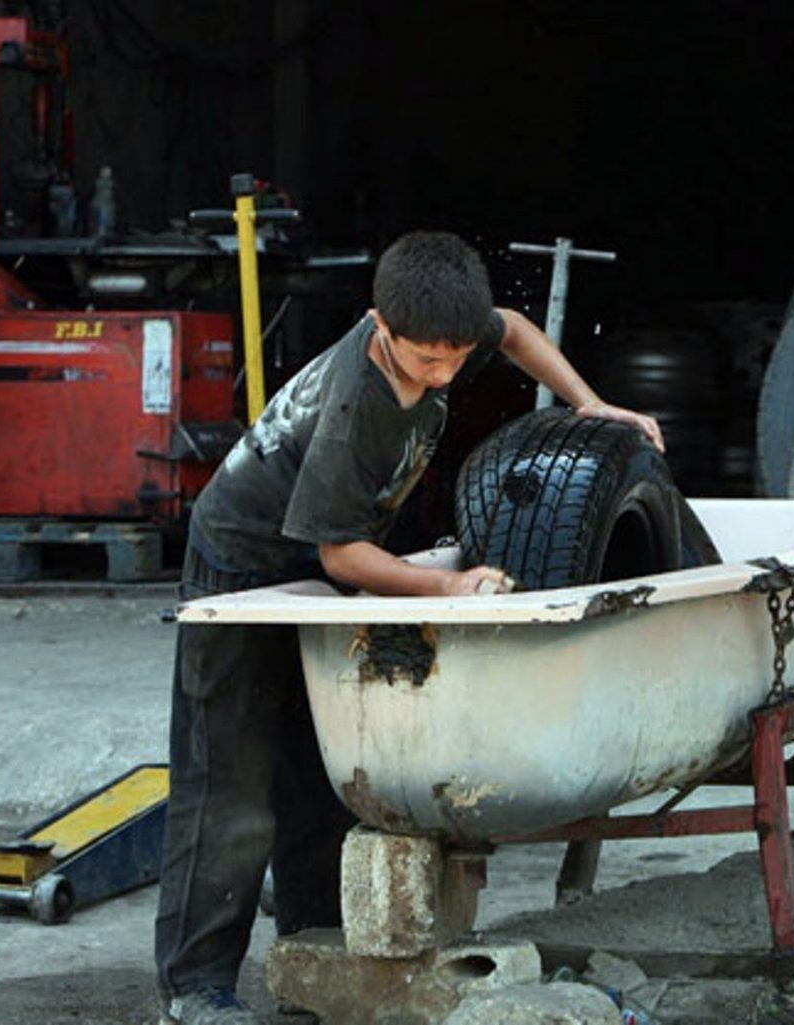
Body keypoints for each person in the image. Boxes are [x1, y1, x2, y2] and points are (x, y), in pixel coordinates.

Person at [155, 230, 662, 1024]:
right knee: (232, 786)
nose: (445, 373)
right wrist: (448, 583)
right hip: (242, 570)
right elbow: (342, 554)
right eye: (426, 360)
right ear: (378, 326)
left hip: (310, 568)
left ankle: (309, 959)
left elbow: (516, 331)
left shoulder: (446, 329)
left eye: (457, 357)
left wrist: (586, 401)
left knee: (325, 774)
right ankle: (194, 990)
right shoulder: (358, 401)